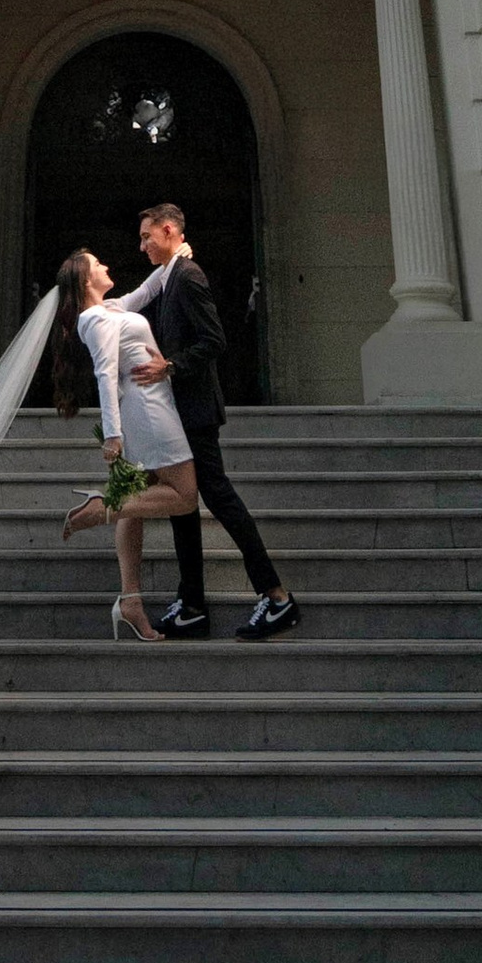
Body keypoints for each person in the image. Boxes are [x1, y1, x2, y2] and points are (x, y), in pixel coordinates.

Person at [121, 200, 298, 638]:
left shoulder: (189, 276)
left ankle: (276, 598)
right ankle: (192, 603)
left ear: (167, 231)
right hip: (178, 411)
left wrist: (171, 366)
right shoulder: (170, 275)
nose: (141, 245)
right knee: (182, 503)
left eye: (146, 236)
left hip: (196, 411)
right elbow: (136, 298)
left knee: (218, 496)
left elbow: (215, 340)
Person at [50, 248, 198, 643]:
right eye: (99, 264)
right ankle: (99, 510)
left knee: (139, 500)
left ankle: (130, 599)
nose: (107, 265)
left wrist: (174, 258)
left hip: (148, 407)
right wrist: (112, 434)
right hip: (147, 411)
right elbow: (105, 373)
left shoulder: (111, 307)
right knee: (184, 496)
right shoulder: (93, 318)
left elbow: (148, 291)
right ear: (84, 280)